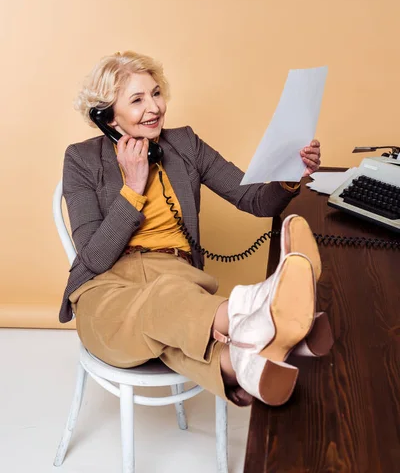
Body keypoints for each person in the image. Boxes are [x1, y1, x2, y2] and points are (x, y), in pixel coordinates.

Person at [60, 50, 326, 407]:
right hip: (106, 293)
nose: (153, 107)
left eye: (156, 93)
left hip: (176, 280)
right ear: (106, 115)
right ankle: (260, 312)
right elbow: (93, 257)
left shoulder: (183, 145)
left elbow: (256, 202)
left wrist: (291, 173)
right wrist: (133, 188)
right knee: (169, 310)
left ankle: (247, 356)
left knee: (170, 304)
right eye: (137, 99)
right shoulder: (81, 159)